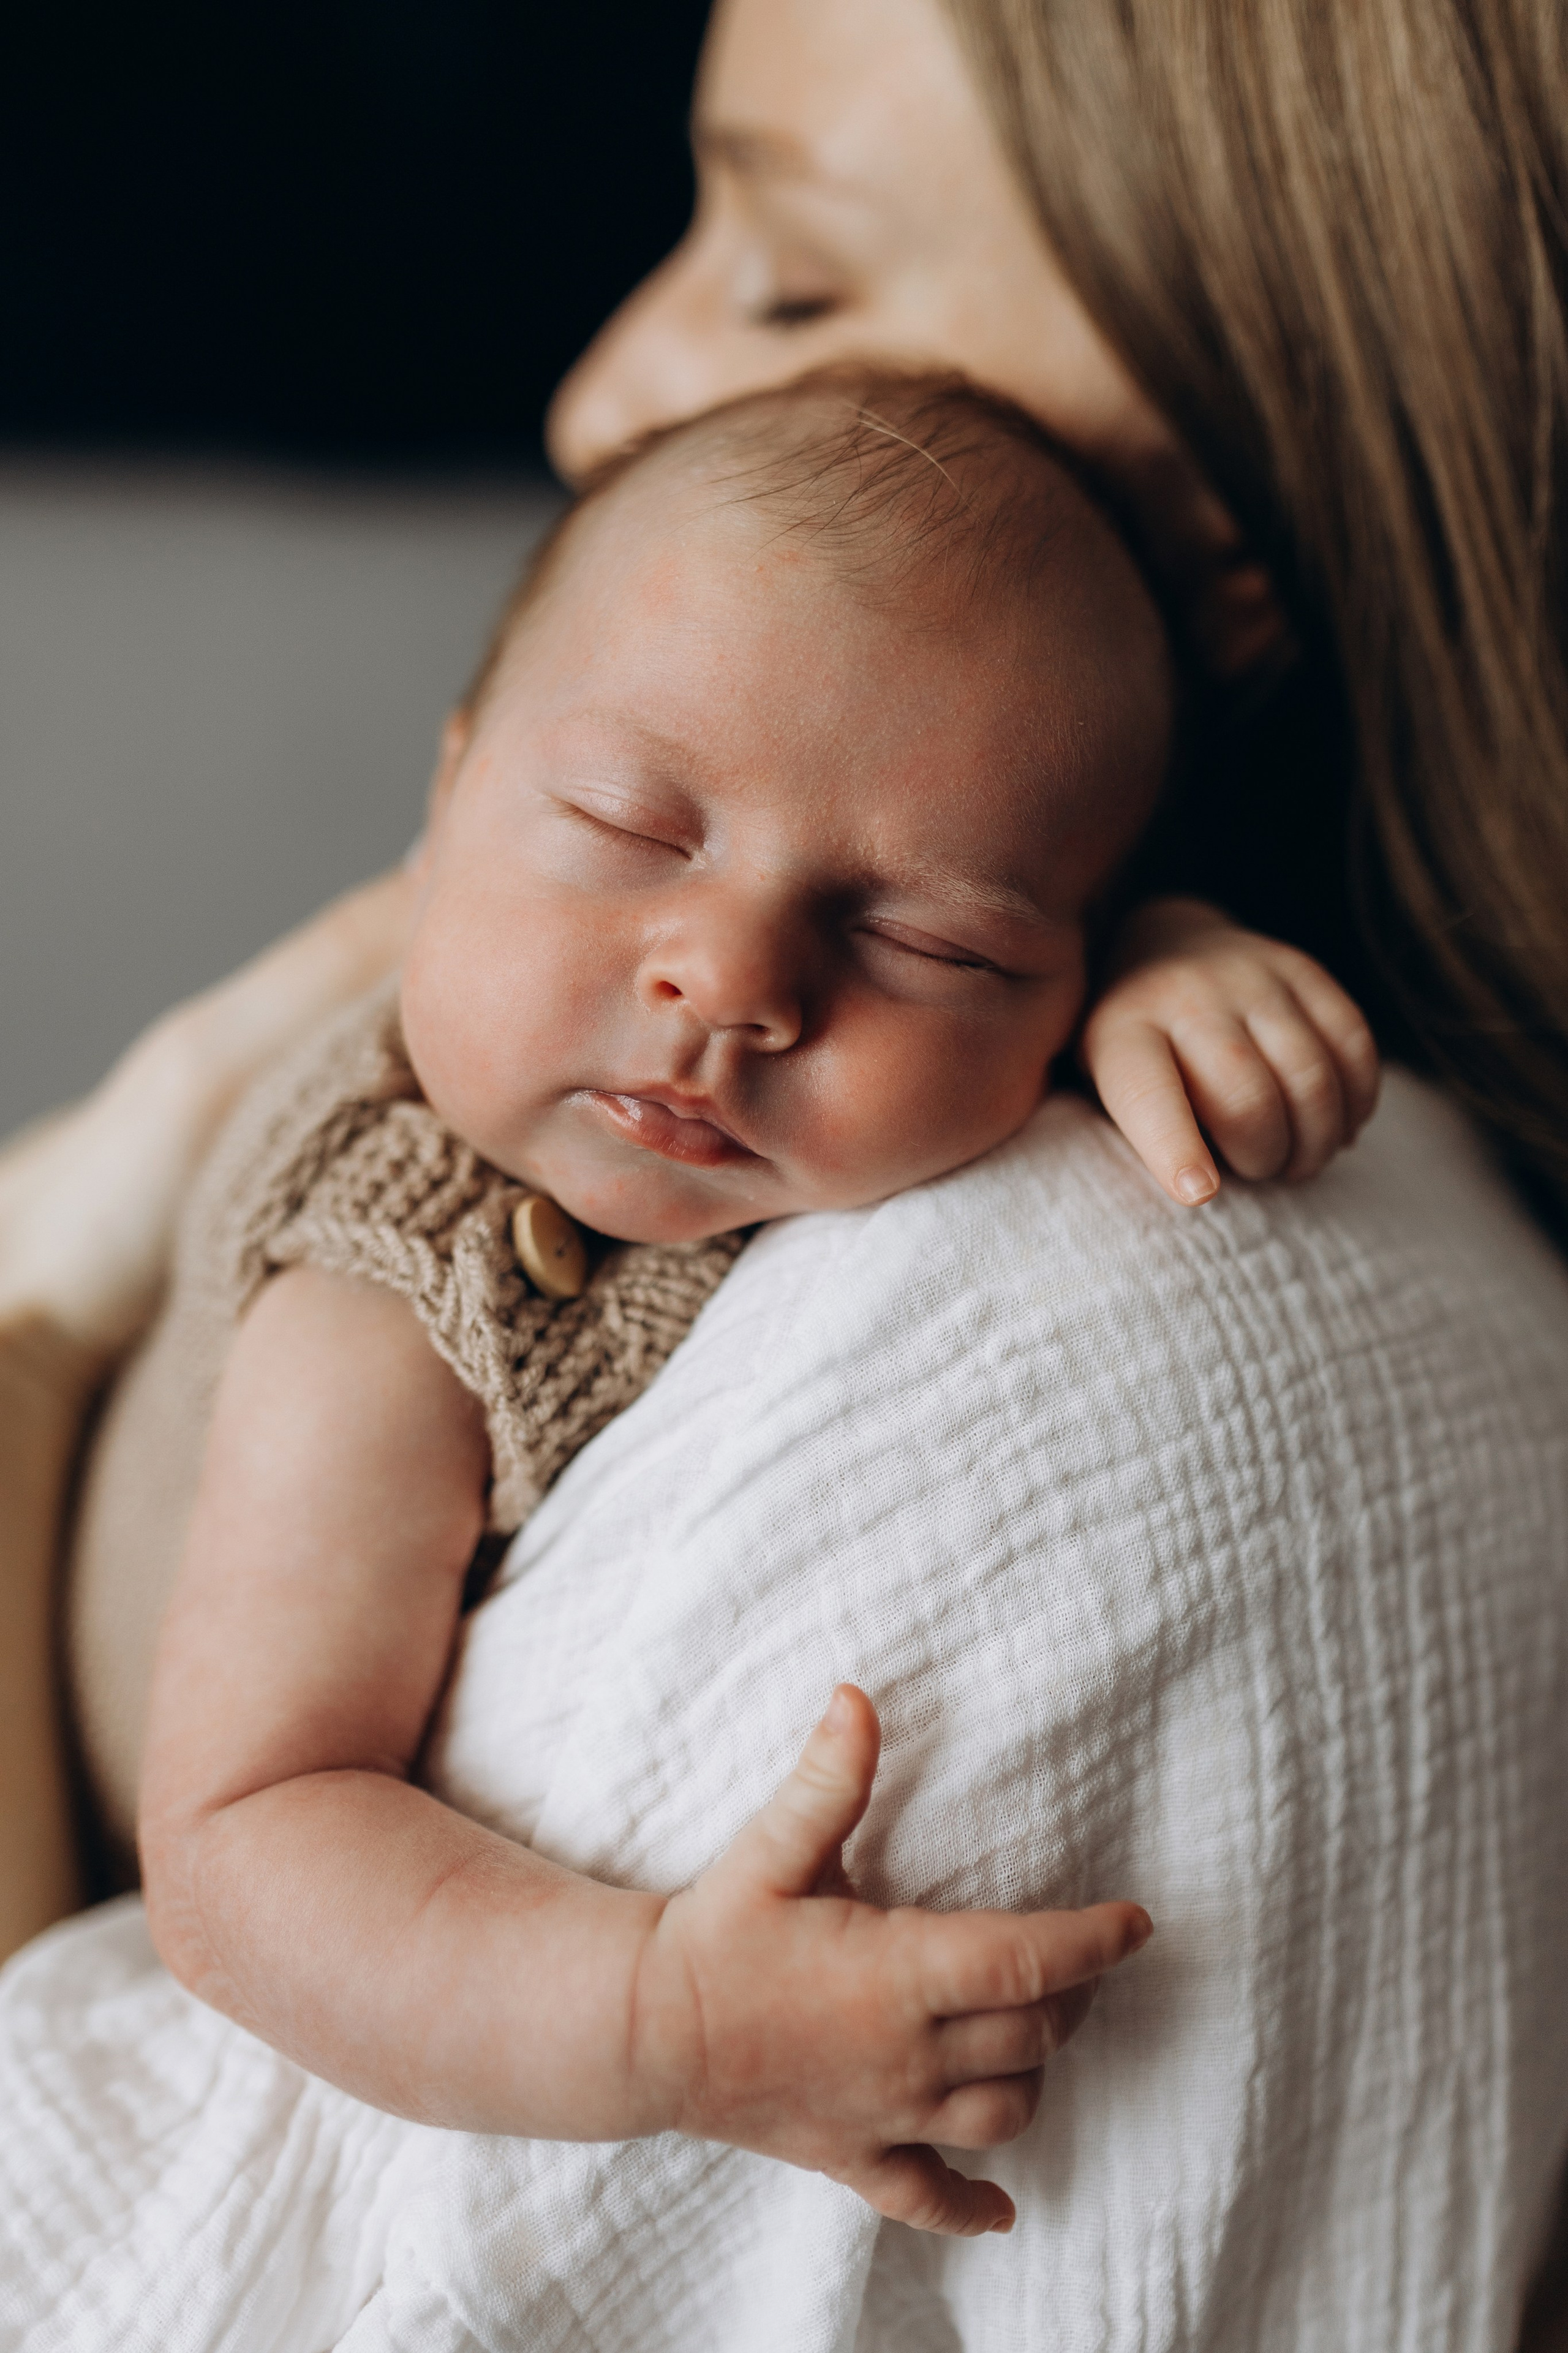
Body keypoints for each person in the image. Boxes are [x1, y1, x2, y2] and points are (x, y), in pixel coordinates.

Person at [0, 0, 1564, 2332]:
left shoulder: (1063, 1081)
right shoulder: (413, 1267)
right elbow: (240, 1849)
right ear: (457, 797)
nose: (728, 984)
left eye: (930, 932)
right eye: (631, 828)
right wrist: (665, 2015)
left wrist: (1132, 965)